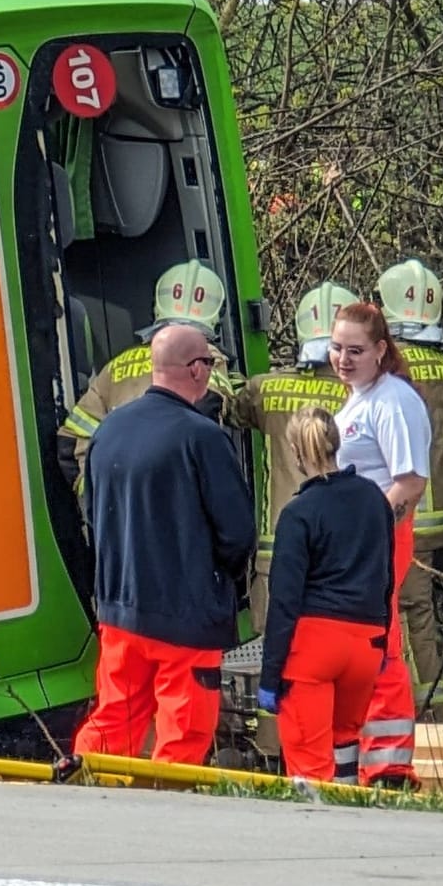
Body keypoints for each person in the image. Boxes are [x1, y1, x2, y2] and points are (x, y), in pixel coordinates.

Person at [71, 324, 257, 763]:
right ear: (195, 369)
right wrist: (220, 584)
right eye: (209, 364)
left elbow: (93, 516)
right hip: (186, 617)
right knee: (183, 734)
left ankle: (81, 793)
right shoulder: (203, 437)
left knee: (113, 718)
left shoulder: (109, 431)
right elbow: (237, 533)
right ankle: (166, 818)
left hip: (121, 612)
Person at [257, 405, 395, 784]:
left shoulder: (299, 513)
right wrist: (382, 644)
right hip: (365, 643)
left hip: (314, 646)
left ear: (297, 453)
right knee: (345, 746)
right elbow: (386, 577)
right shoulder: (374, 500)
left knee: (309, 763)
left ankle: (316, 832)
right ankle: (352, 816)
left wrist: (270, 677)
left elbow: (284, 600)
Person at [329, 301, 430, 787]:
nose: (343, 359)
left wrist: (368, 531)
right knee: (359, 648)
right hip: (356, 541)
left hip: (381, 538)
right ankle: (363, 762)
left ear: (380, 351)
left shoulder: (392, 400)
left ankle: (389, 766)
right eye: (336, 348)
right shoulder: (358, 398)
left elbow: (409, 483)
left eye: (355, 350)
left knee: (380, 647)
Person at [227, 281, 355, 625]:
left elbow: (230, 409)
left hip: (276, 552)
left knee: (275, 652)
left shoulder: (264, 389)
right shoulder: (364, 398)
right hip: (341, 555)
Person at [377, 257, 443, 716]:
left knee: (408, 611)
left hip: (408, 514)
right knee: (424, 608)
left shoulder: (386, 371)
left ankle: (423, 714)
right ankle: (439, 706)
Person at [57, 259, 238, 491]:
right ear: (217, 315)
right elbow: (213, 403)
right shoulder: (205, 360)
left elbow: (70, 443)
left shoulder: (116, 367)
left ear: (157, 306)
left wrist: (103, 500)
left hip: (122, 513)